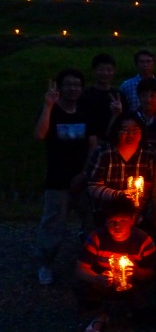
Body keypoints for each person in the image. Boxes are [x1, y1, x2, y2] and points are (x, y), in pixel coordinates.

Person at [34, 69, 97, 285]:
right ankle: (45, 263)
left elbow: (93, 145)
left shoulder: (86, 112)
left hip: (83, 179)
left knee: (91, 221)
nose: (73, 88)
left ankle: (89, 261)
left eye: (77, 84)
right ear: (60, 88)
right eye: (68, 84)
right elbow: (40, 134)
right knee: (53, 224)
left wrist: (85, 173)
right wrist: (48, 105)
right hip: (57, 180)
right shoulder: (52, 111)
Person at [76, 198, 156, 332]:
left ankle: (134, 311)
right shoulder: (97, 237)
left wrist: (136, 271)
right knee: (81, 286)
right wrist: (96, 277)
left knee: (150, 305)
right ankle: (100, 315)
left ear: (132, 220)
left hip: (133, 285)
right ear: (106, 221)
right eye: (113, 221)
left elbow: (151, 274)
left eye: (122, 221)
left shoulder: (144, 240)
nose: (117, 226)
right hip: (104, 284)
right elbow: (80, 269)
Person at [86, 113, 156, 225]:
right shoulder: (104, 152)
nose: (130, 135)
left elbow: (148, 186)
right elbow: (93, 186)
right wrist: (119, 195)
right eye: (125, 130)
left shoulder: (148, 152)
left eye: (135, 130)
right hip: (105, 212)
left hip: (138, 214)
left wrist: (136, 211)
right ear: (116, 132)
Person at [79, 53, 125, 141]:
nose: (105, 73)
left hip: (113, 141)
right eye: (101, 69)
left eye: (109, 70)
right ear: (93, 71)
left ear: (114, 71)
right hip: (88, 141)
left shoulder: (119, 95)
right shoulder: (84, 95)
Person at [119, 49, 156, 113]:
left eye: (148, 61)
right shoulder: (126, 85)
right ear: (136, 64)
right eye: (141, 62)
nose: (145, 65)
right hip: (132, 121)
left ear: (153, 64)